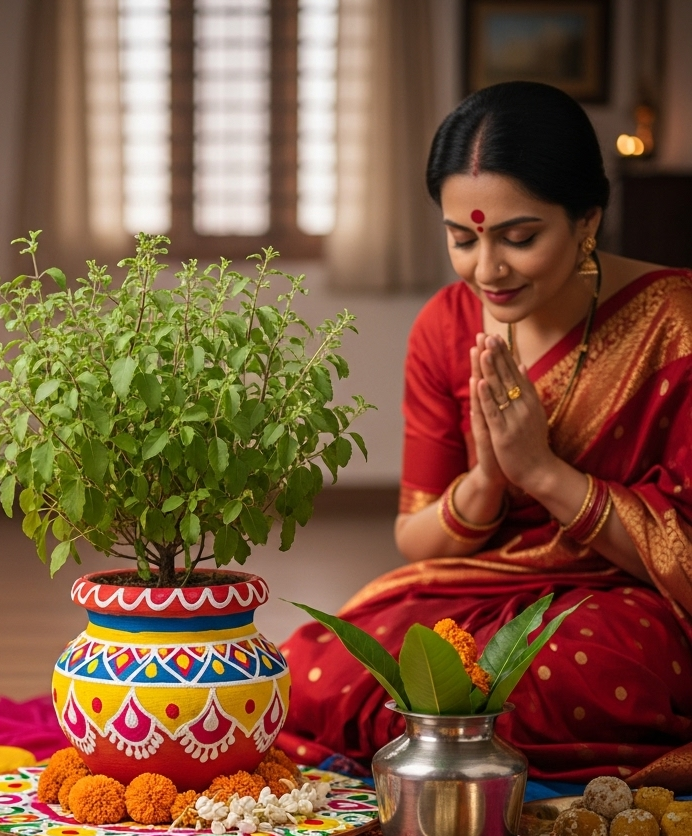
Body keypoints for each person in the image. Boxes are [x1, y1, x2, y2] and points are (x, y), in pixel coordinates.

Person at [278, 81, 692, 782]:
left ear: (588, 220)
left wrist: (544, 475)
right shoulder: (446, 325)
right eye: (462, 238)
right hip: (477, 588)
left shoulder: (674, 324)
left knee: (560, 677)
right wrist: (487, 480)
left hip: (627, 602)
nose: (487, 269)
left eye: (520, 238)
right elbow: (416, 539)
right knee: (317, 672)